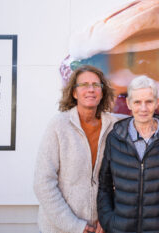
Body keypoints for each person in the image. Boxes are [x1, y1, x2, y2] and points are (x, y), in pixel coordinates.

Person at [34, 65, 117, 233]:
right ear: (74, 93)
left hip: (101, 228)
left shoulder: (114, 127)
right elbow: (43, 183)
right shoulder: (58, 126)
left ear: (102, 92)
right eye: (84, 85)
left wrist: (108, 217)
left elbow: (119, 180)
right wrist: (75, 226)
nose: (91, 90)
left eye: (96, 85)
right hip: (61, 228)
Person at [97, 76, 159, 233]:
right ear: (128, 104)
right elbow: (104, 185)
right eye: (137, 102)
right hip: (121, 228)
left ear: (156, 102)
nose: (143, 108)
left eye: (148, 101)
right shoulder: (115, 138)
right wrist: (109, 221)